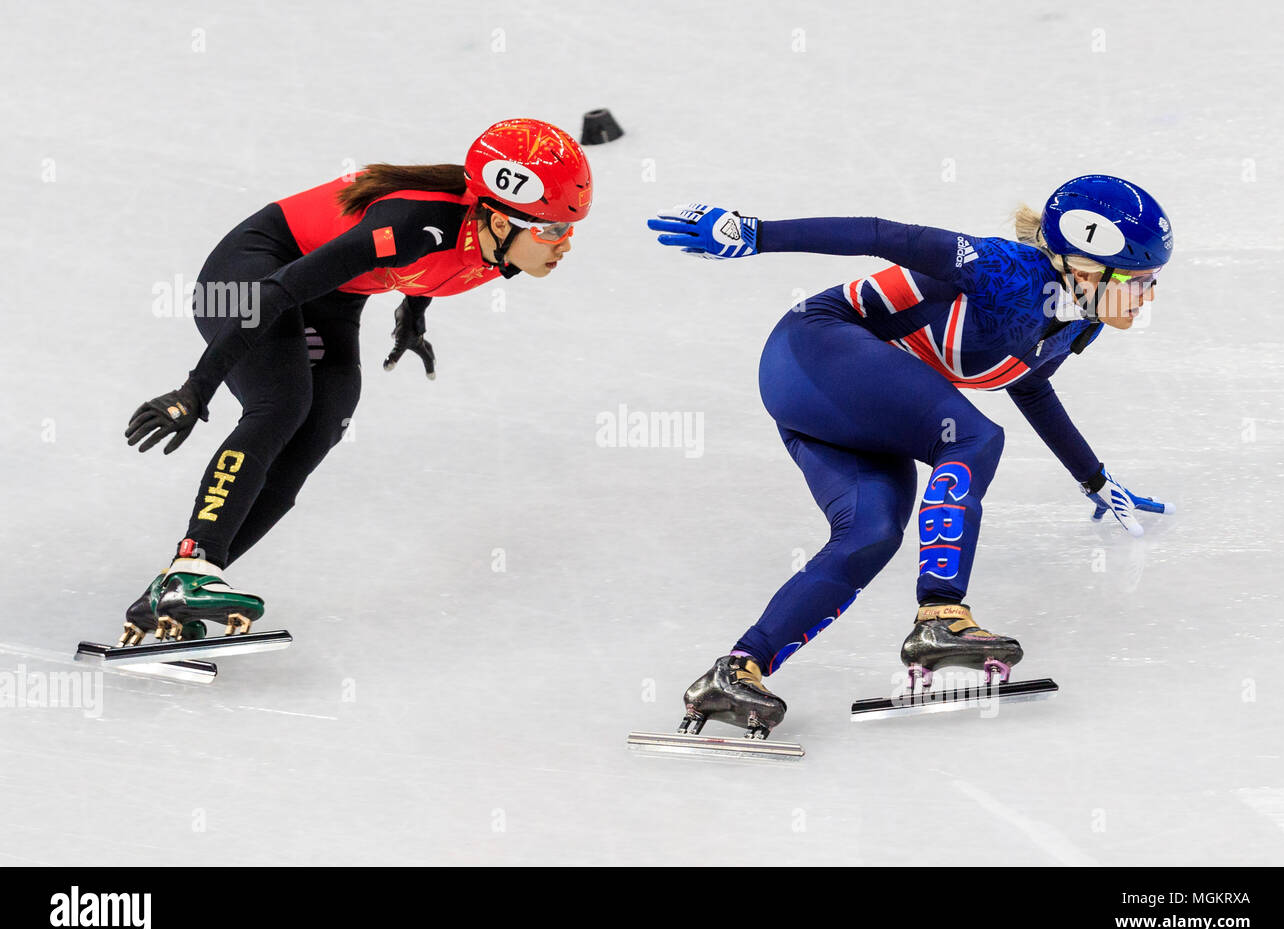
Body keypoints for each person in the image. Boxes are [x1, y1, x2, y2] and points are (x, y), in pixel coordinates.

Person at [647, 175, 1173, 737]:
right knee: (973, 438)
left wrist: (1094, 479)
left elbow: (1031, 387)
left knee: (870, 533)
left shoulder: (1071, 324)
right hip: (816, 348)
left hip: (836, 403)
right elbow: (882, 233)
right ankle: (942, 615)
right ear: (1087, 268)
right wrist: (753, 233)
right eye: (1140, 280)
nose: (1149, 295)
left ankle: (737, 671)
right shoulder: (1008, 271)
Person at [120, 118, 592, 644]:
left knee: (324, 421)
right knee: (282, 404)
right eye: (551, 229)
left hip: (330, 295)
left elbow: (440, 262)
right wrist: (195, 391)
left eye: (567, 228)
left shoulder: (493, 240)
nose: (564, 243)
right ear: (500, 221)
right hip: (248, 278)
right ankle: (193, 567)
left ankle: (181, 584)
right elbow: (278, 292)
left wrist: (413, 316)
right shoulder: (413, 223)